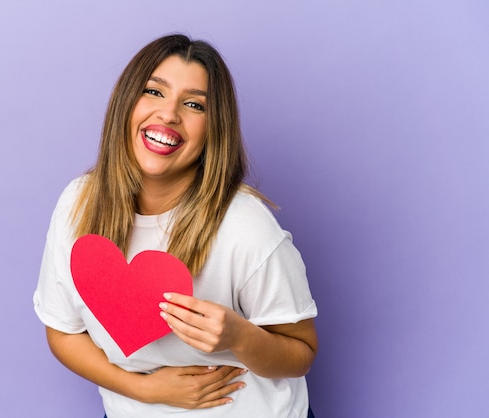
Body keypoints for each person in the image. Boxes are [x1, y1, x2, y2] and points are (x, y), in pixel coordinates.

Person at [33, 34, 318, 417]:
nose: (168, 114)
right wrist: (146, 390)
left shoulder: (245, 227)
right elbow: (63, 331)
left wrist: (240, 337)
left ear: (213, 128)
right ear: (126, 103)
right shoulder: (77, 205)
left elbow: (301, 354)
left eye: (193, 104)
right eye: (154, 92)